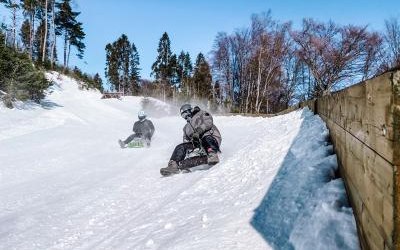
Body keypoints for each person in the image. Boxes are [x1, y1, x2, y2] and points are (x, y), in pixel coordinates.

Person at [160, 104, 221, 175]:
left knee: (206, 138)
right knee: (180, 147)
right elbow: (185, 140)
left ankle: (212, 154)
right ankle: (174, 165)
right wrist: (188, 152)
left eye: (186, 113)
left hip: (211, 138)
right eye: (183, 115)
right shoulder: (186, 128)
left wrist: (199, 131)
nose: (185, 116)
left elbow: (208, 122)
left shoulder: (201, 113)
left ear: (190, 110)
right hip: (198, 144)